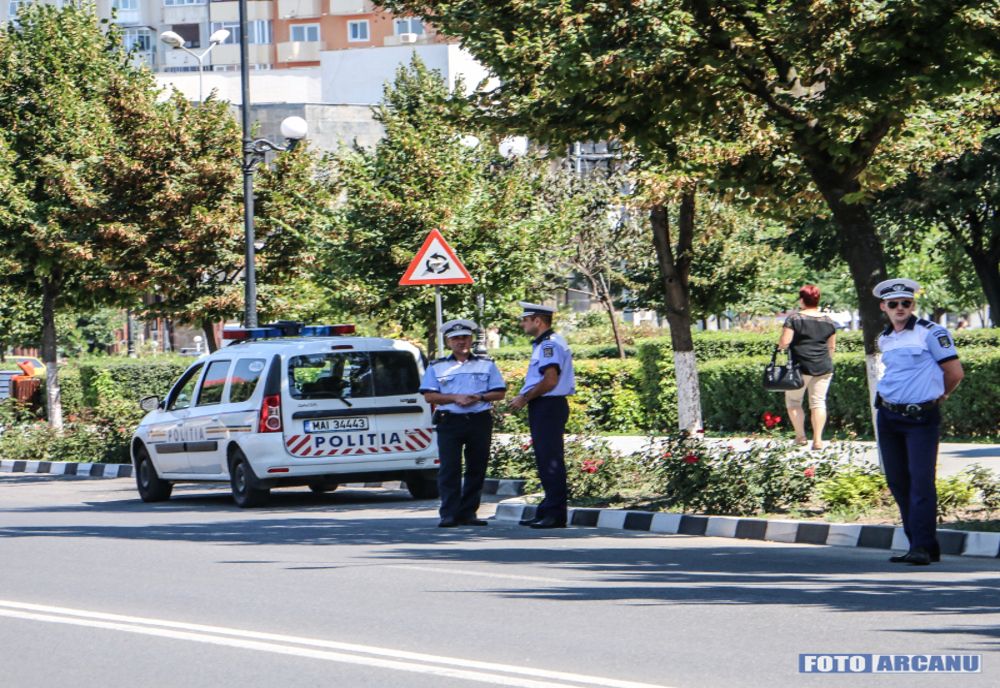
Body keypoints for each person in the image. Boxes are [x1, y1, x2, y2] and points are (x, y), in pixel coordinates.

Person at [874, 278, 964, 566]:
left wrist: (941, 395)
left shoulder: (931, 333)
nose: (900, 308)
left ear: (913, 305)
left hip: (920, 417)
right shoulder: (885, 337)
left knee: (921, 481)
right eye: (893, 304)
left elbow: (954, 372)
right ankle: (920, 544)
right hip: (887, 415)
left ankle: (923, 547)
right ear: (883, 307)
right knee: (898, 481)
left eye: (906, 303)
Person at [419, 318, 507, 528]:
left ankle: (468, 512)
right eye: (456, 338)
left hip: (479, 420)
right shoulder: (437, 366)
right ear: (449, 342)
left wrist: (480, 397)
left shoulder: (486, 364)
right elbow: (430, 396)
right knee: (450, 468)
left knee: (476, 467)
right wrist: (454, 398)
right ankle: (448, 513)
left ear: (471, 339)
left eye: (465, 337)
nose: (461, 342)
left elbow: (500, 392)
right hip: (450, 421)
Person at [508, 302, 576, 529]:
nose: (522, 324)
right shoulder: (545, 344)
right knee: (545, 459)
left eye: (525, 320)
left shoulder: (549, 345)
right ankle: (547, 509)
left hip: (549, 405)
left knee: (551, 460)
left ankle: (555, 514)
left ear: (538, 321)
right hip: (545, 405)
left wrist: (524, 398)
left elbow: (550, 380)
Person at [777, 285, 837, 449]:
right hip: (824, 366)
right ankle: (818, 440)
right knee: (818, 403)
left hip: (799, 368)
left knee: (794, 401)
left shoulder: (794, 319)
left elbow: (784, 343)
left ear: (802, 299)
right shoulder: (828, 321)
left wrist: (782, 344)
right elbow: (831, 347)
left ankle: (801, 437)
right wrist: (826, 361)